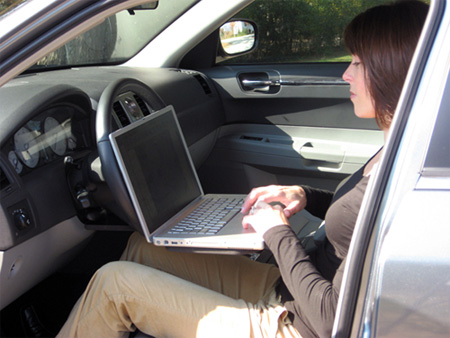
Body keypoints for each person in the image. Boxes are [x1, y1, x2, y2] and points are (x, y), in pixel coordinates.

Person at [57, 1, 429, 337]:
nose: (345, 75)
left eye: (358, 64)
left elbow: (333, 319)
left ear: (392, 70)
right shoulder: (399, 150)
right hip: (291, 290)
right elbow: (356, 217)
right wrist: (304, 195)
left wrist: (276, 233)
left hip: (295, 325)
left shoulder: (407, 185)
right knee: (143, 248)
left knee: (113, 285)